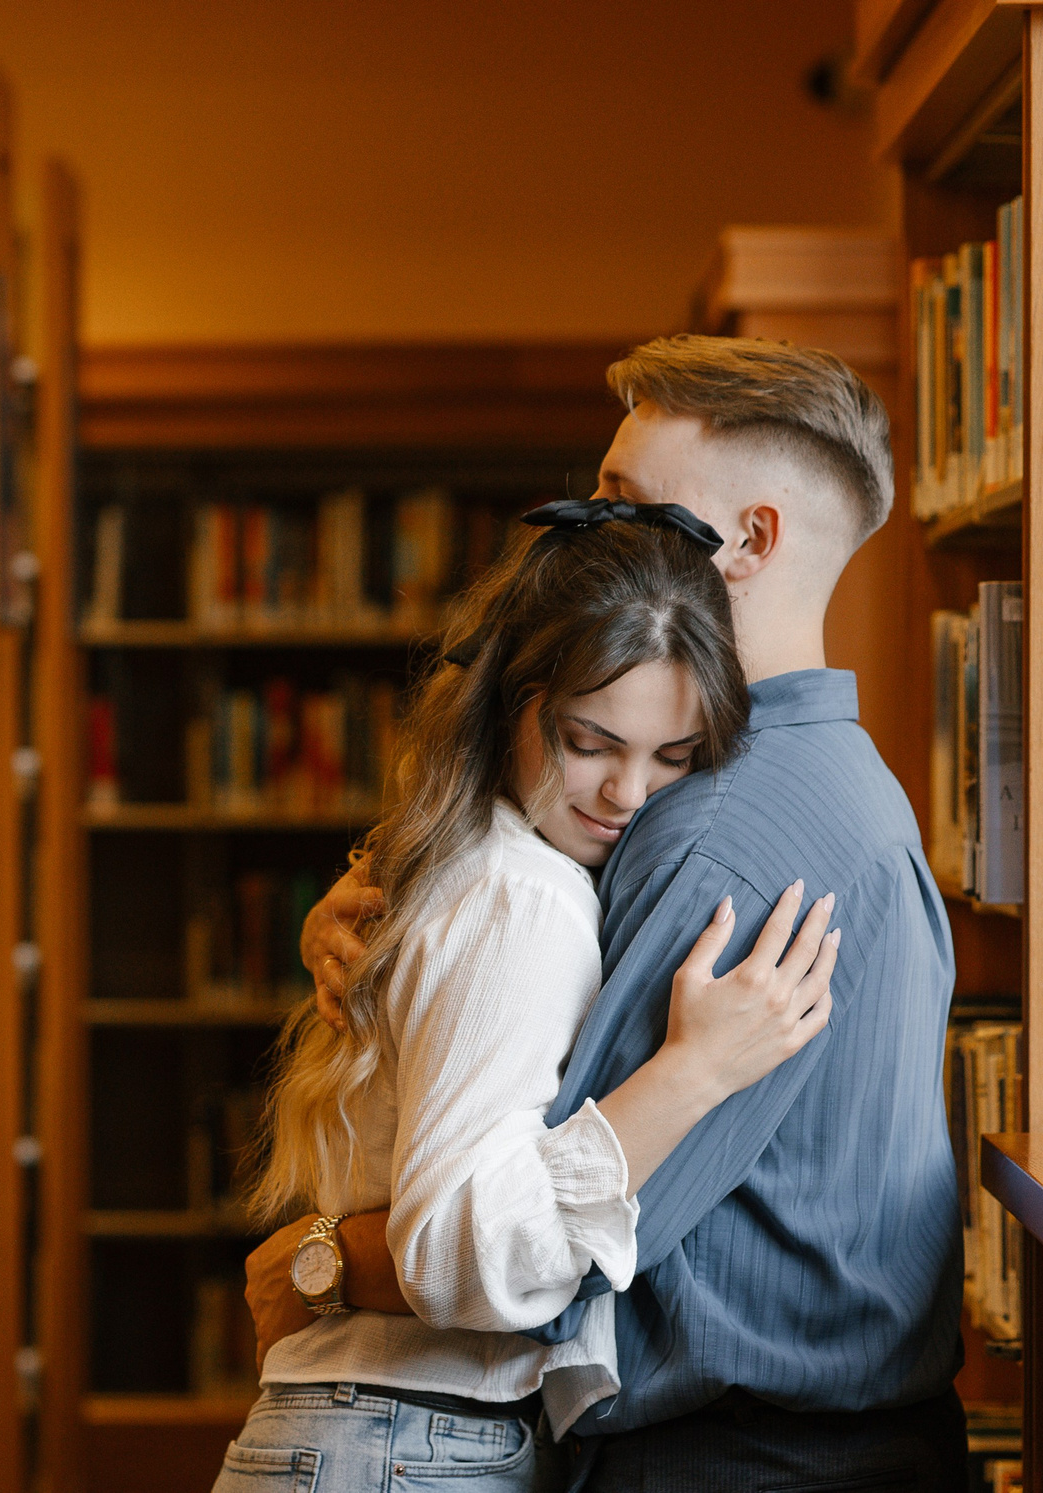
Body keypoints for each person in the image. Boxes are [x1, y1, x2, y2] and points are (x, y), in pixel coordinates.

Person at [248, 335, 966, 1489]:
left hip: (731, 1461)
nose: (591, 530)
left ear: (747, 540)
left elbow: (531, 1246)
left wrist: (323, 1262)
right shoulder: (840, 782)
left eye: (625, 505)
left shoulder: (716, 835)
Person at [214, 508, 841, 1493]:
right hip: (409, 1439)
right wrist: (692, 1072)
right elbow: (462, 1253)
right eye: (591, 741)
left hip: (378, 1433)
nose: (628, 791)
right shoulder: (527, 895)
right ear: (515, 702)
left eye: (672, 756)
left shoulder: (475, 862)